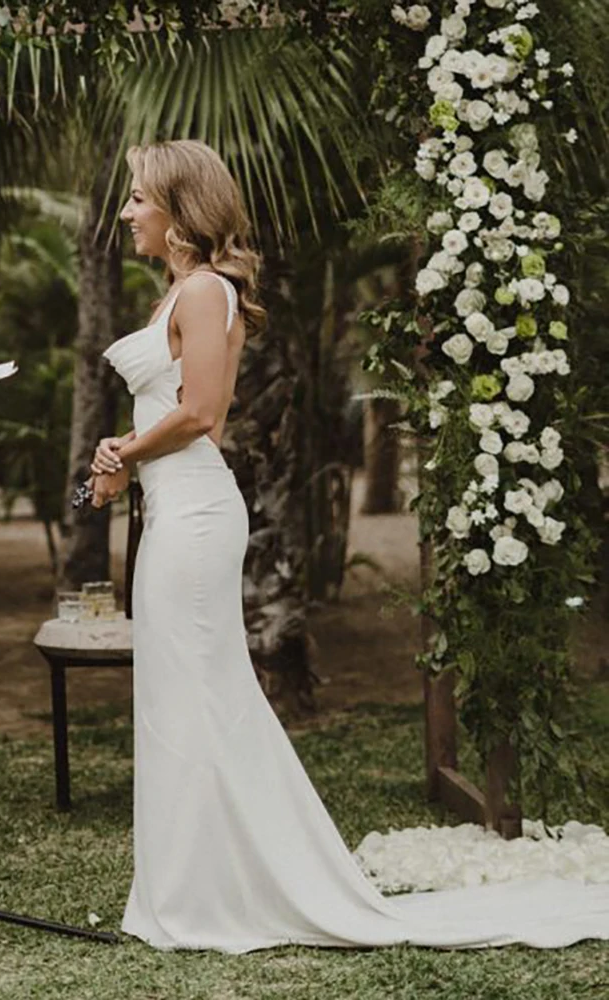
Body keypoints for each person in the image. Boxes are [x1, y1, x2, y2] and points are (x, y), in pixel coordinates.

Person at [90, 139, 609, 952]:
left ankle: (210, 892)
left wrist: (127, 449)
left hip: (194, 516)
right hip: (175, 508)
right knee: (182, 695)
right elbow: (175, 410)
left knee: (198, 694)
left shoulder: (201, 290)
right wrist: (125, 457)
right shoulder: (180, 292)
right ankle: (201, 882)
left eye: (137, 198)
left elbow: (202, 417)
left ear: (181, 208)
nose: (126, 213)